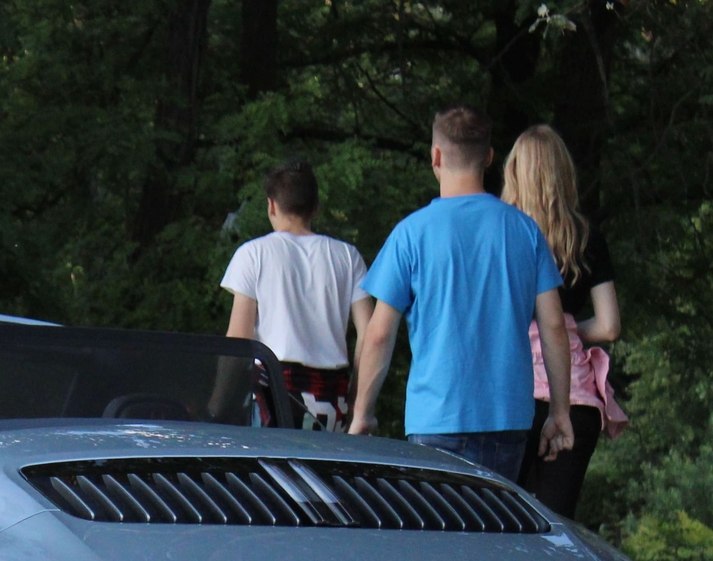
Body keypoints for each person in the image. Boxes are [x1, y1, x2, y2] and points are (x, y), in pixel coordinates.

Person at [348, 105, 574, 480]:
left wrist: (362, 414)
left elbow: (379, 334)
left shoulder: (411, 233)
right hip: (508, 420)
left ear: (435, 156)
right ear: (488, 157)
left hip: (436, 420)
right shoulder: (526, 232)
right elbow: (553, 328)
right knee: (496, 535)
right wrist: (560, 412)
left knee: (443, 536)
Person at [503, 125, 626, 518]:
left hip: (511, 392)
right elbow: (609, 326)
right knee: (556, 530)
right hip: (573, 397)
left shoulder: (502, 235)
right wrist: (566, 328)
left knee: (500, 523)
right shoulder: (588, 236)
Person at [220, 157, 374, 427]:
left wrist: (217, 405)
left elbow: (238, 342)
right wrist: (357, 401)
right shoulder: (348, 257)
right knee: (322, 469)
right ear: (315, 208)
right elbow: (369, 334)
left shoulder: (254, 254)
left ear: (271, 205)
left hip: (272, 396)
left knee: (272, 469)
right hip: (331, 398)